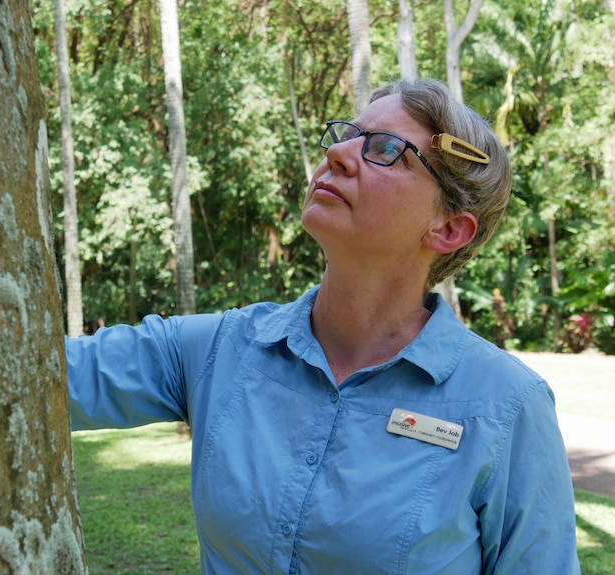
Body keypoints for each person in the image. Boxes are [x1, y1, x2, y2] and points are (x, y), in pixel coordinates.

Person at [66, 78, 581, 574]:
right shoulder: (217, 351)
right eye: (348, 136)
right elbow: (35, 376)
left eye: (384, 149)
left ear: (448, 228)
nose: (338, 155)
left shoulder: (506, 405)